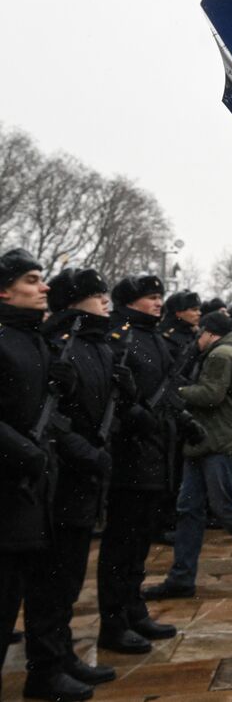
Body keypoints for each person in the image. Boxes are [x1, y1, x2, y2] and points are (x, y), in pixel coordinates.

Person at [0, 251, 101, 702]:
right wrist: (24, 451)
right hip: (8, 492)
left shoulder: (36, 339)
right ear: (4, 290)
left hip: (37, 495)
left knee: (43, 588)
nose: (43, 287)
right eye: (32, 279)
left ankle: (45, 672)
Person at [143, 312, 232, 600]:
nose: (197, 340)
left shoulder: (222, 354)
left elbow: (211, 394)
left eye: (199, 335)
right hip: (207, 439)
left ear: (209, 333)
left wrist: (175, 392)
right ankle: (181, 577)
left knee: (223, 503)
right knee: (189, 508)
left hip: (220, 440)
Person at [27, 269, 118, 690]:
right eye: (96, 294)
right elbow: (46, 417)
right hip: (62, 476)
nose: (105, 300)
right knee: (51, 580)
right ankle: (45, 667)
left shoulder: (98, 345)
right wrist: (81, 450)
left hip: (86, 477)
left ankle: (61, 655)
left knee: (69, 578)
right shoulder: (58, 344)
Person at [98, 273, 182, 656]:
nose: (158, 302)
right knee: (121, 544)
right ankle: (114, 622)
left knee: (138, 543)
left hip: (155, 453)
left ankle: (134, 609)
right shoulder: (121, 335)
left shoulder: (153, 337)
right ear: (130, 302)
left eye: (160, 296)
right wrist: (137, 418)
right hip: (129, 456)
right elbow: (113, 394)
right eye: (151, 297)